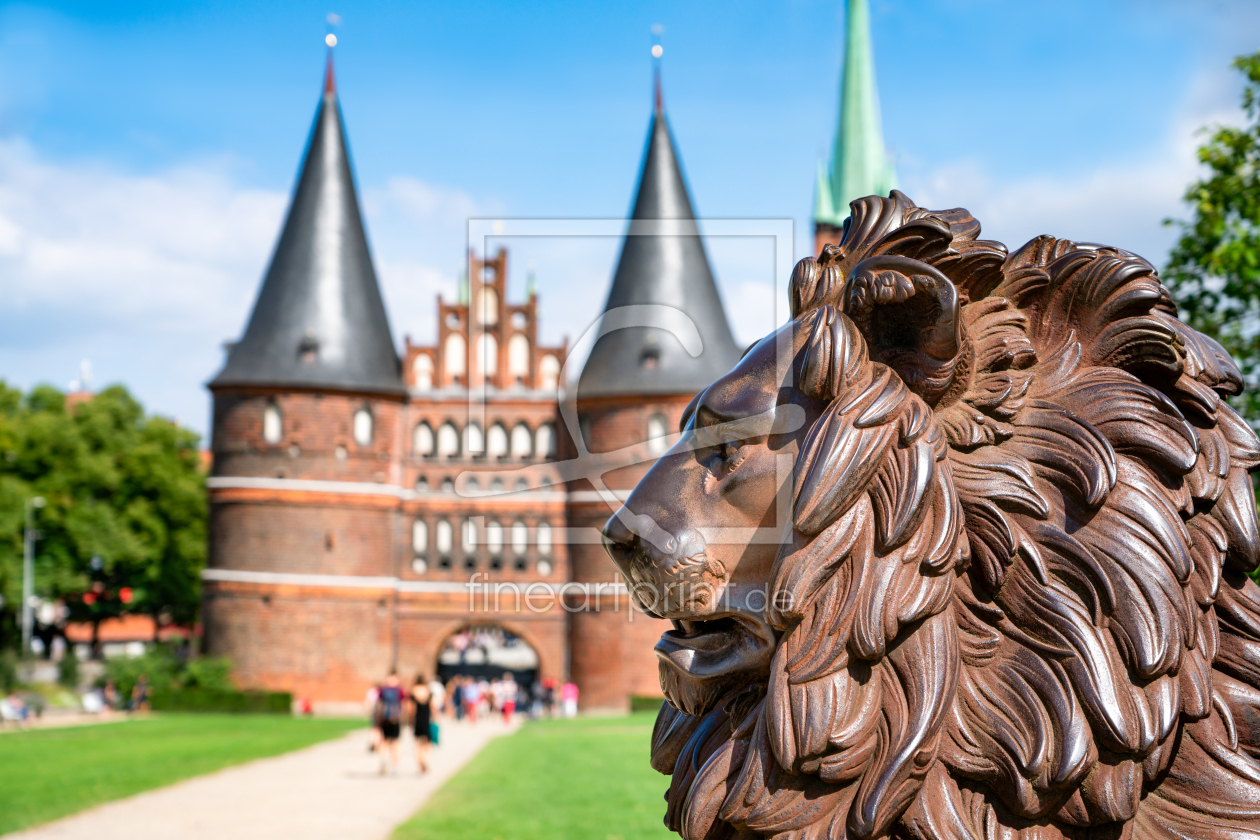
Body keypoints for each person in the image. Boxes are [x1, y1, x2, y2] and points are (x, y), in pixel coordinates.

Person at [375, 672, 404, 775]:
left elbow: (378, 705)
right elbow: (403, 704)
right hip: (395, 719)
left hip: (385, 719)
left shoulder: (382, 690)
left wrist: (377, 720)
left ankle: (384, 760)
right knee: (395, 743)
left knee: (385, 742)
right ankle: (394, 766)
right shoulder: (399, 691)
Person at [410, 675, 434, 774]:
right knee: (427, 742)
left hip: (417, 719)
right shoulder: (428, 691)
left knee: (417, 743)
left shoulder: (413, 691)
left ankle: (419, 761)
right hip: (426, 718)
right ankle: (424, 759)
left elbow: (411, 708)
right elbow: (432, 707)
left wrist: (410, 720)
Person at [365, 683, 382, 752]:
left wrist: (368, 710)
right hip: (379, 712)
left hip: (375, 712)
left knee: (374, 728)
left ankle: (374, 743)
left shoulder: (371, 691)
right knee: (378, 729)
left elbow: (367, 702)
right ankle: (376, 744)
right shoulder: (380, 691)